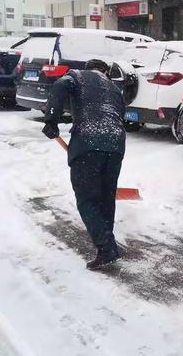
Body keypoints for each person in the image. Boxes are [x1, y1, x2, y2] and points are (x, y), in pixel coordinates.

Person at [42, 59, 126, 271]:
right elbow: (119, 115)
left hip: (89, 140)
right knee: (106, 198)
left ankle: (107, 248)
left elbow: (60, 86)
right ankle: (107, 243)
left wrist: (51, 119)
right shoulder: (114, 88)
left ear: (89, 68)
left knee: (87, 199)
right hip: (116, 143)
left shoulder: (78, 76)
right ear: (105, 71)